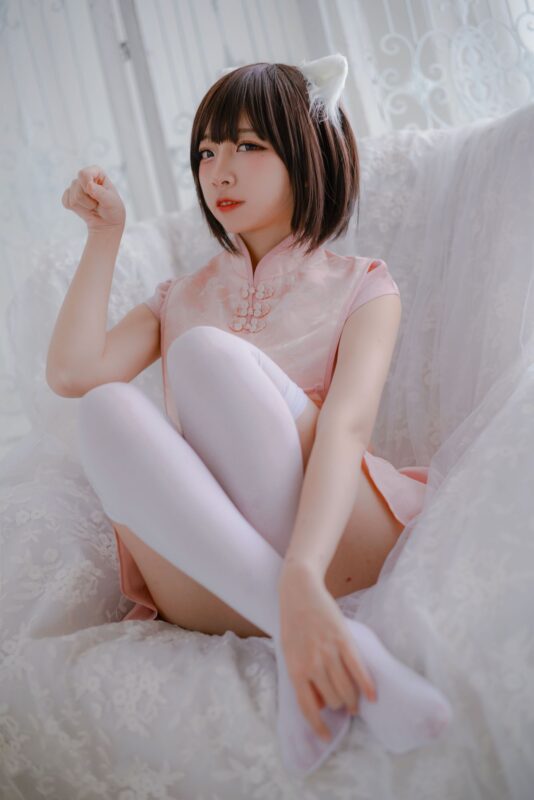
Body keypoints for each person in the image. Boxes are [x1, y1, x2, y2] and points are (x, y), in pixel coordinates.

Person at [48, 53, 452, 778]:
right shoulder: (177, 297)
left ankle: (298, 605)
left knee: (205, 356)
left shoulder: (365, 285)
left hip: (337, 540)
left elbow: (347, 431)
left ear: (306, 153)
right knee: (106, 406)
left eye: (247, 146)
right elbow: (73, 374)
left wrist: (303, 570)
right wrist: (104, 237)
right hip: (210, 577)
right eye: (207, 152)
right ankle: (316, 641)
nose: (219, 172)